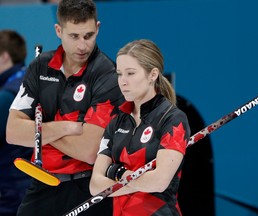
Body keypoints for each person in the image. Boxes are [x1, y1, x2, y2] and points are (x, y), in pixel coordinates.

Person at [6, 0, 124, 215]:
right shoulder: (39, 65)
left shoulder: (107, 75)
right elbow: (13, 132)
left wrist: (37, 131)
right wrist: (69, 127)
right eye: (74, 36)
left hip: (87, 188)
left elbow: (88, 151)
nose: (82, 45)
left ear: (98, 28)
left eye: (88, 35)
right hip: (41, 184)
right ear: (58, 30)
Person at [89, 39, 191, 216]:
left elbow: (159, 182)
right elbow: (95, 186)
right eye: (119, 74)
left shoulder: (172, 119)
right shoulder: (115, 123)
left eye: (130, 73)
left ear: (153, 74)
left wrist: (117, 172)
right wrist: (137, 180)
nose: (123, 81)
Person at [0, 30, 33, 216]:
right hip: (29, 185)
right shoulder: (31, 82)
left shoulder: (7, 95)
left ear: (4, 56)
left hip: (11, 192)